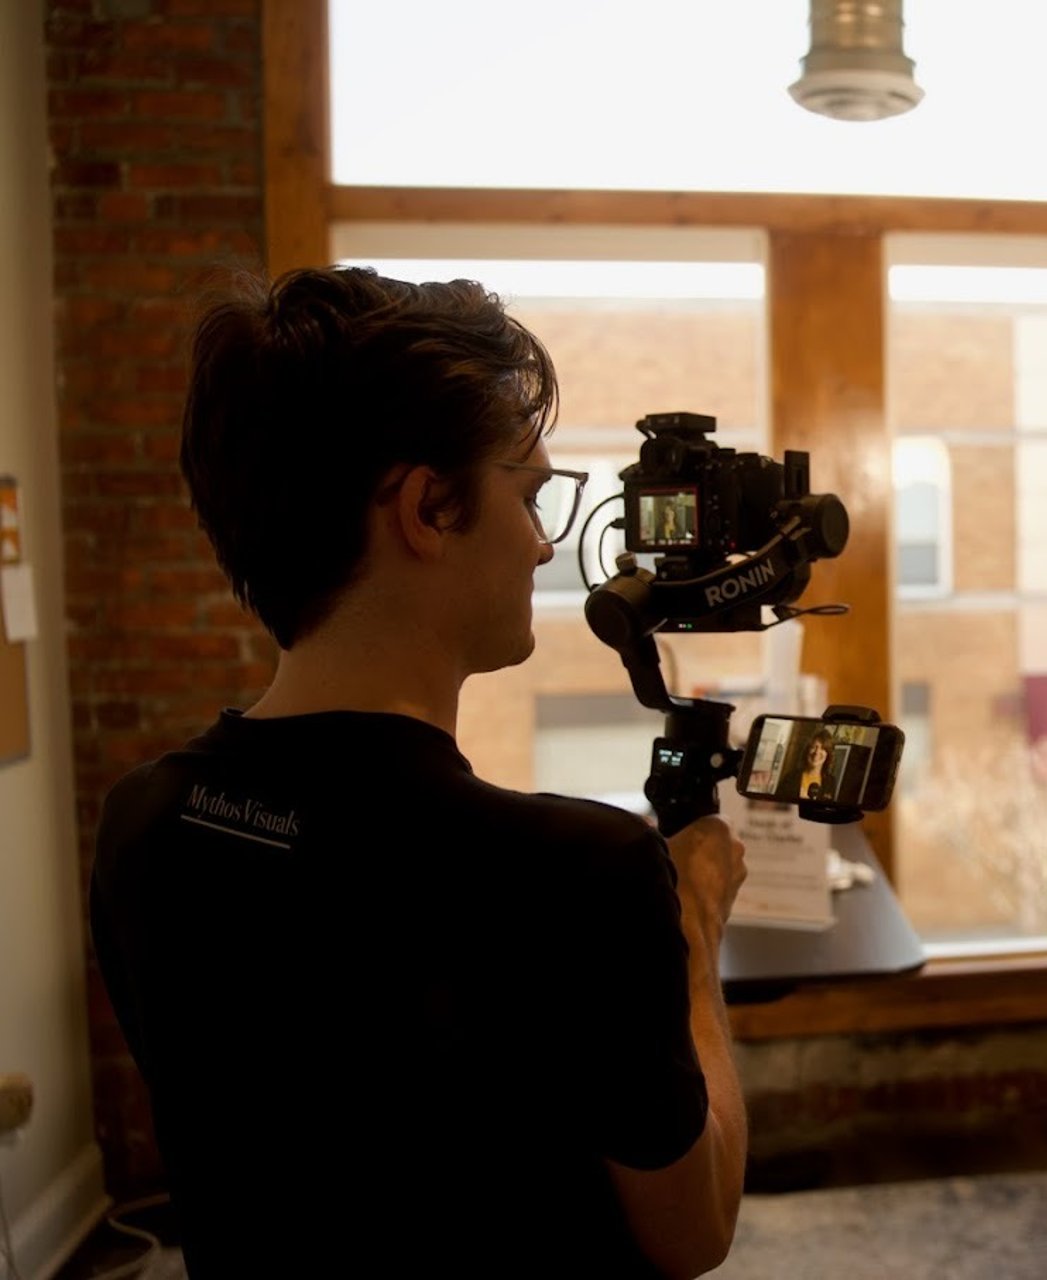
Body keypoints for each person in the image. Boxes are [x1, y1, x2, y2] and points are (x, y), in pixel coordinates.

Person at [89, 267, 748, 1279]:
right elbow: (694, 1229)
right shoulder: (582, 871)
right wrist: (696, 924)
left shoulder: (145, 821)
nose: (539, 544)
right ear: (426, 508)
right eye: (528, 496)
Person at [790, 727, 835, 801]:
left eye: (823, 748)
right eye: (814, 747)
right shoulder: (791, 778)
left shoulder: (830, 782)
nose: (817, 752)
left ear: (828, 755)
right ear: (807, 751)